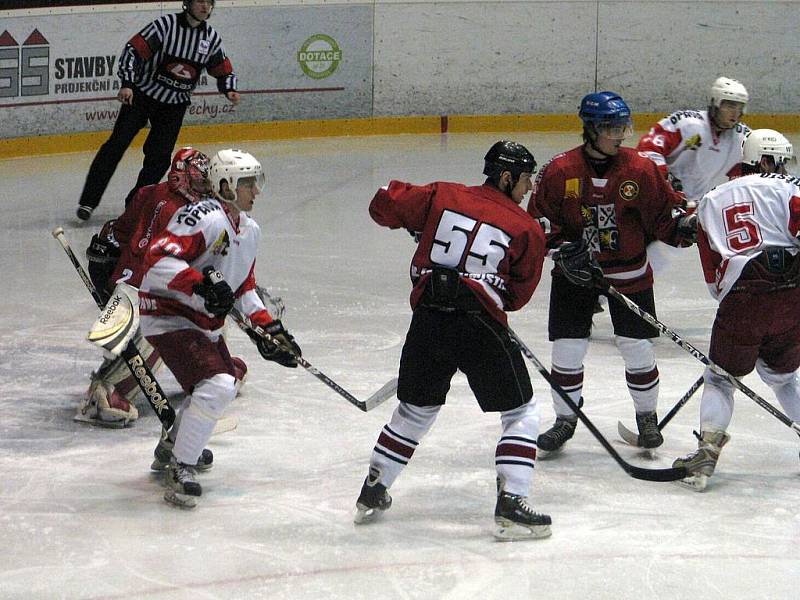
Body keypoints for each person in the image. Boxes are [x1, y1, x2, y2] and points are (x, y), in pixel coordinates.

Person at [354, 140, 551, 541]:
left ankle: (373, 489)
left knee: (415, 409)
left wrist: (420, 220)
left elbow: (382, 204)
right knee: (521, 412)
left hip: (428, 317)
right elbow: (516, 297)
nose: (529, 188)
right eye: (526, 179)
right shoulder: (526, 228)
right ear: (507, 176)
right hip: (478, 323)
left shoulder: (444, 194)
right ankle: (512, 501)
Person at [529, 91, 696, 454]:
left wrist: (685, 227)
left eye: (623, 126)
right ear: (590, 129)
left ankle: (647, 419)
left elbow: (664, 217)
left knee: (637, 349)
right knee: (567, 350)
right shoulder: (559, 171)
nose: (620, 134)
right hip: (576, 276)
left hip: (630, 272)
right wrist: (559, 249)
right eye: (611, 127)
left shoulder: (641, 169)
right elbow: (539, 221)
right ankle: (565, 419)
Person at [138, 148, 301, 508]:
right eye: (247, 184)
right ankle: (182, 466)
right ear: (225, 185)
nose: (255, 191)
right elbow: (157, 261)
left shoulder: (250, 229)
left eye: (256, 183)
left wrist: (267, 327)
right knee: (219, 385)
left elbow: (242, 288)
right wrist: (199, 284)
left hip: (200, 321)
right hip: (168, 315)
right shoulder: (202, 216)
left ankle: (173, 446)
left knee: (222, 387)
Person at [673, 129, 800, 491]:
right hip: (792, 295)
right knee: (783, 377)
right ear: (763, 159)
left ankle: (705, 458)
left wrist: (735, 302)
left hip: (742, 296)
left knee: (720, 379)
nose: (782, 167)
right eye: (778, 159)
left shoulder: (712, 199)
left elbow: (711, 269)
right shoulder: (791, 189)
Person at [80, 147, 230, 431]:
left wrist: (105, 251)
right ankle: (106, 391)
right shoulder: (177, 210)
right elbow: (149, 256)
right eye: (200, 181)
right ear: (181, 178)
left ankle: (208, 371)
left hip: (135, 280)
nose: (206, 188)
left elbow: (120, 231)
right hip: (142, 286)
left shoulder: (149, 193)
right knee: (166, 326)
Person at [75, 0, 239, 221]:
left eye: (209, 3)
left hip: (174, 105)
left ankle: (135, 205)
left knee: (159, 158)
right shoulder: (166, 26)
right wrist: (128, 84)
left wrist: (229, 89)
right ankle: (88, 201)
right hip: (142, 96)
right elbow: (133, 51)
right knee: (116, 144)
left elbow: (223, 69)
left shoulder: (210, 38)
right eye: (200, 1)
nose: (205, 7)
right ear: (188, 3)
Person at [636, 76, 750, 207]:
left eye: (740, 107)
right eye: (730, 106)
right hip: (670, 204)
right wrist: (664, 183)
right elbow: (648, 150)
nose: (736, 113)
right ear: (715, 103)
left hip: (711, 210)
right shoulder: (686, 124)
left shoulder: (743, 137)